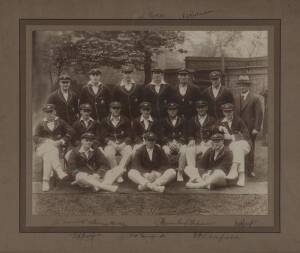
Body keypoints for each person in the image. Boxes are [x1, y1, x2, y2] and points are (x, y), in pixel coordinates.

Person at [33, 104, 74, 192]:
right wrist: (47, 141)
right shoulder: (41, 123)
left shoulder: (61, 122)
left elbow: (71, 131)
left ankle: (45, 181)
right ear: (44, 113)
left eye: (51, 112)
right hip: (41, 148)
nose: (49, 114)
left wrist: (61, 141)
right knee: (50, 147)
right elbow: (35, 137)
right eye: (47, 112)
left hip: (55, 149)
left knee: (49, 155)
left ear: (55, 112)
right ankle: (59, 170)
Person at [215, 103, 251, 186]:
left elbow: (246, 135)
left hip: (245, 145)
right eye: (226, 112)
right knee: (238, 149)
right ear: (223, 112)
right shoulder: (221, 122)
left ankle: (234, 169)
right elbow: (212, 128)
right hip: (233, 147)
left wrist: (231, 137)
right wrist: (219, 128)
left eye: (230, 111)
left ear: (233, 111)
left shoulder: (239, 120)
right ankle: (241, 176)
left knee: (238, 145)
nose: (228, 114)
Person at [234, 75, 263, 177]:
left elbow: (259, 114)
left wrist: (256, 128)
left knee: (250, 148)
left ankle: (250, 170)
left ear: (248, 86)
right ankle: (239, 169)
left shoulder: (255, 98)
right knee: (238, 147)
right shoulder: (236, 98)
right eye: (241, 85)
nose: (242, 87)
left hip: (250, 129)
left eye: (244, 85)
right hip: (239, 129)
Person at [100, 101, 132, 182]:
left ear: (120, 109)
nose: (116, 110)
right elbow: (103, 136)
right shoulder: (105, 120)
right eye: (114, 108)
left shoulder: (126, 120)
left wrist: (123, 144)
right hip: (111, 143)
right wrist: (113, 144)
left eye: (118, 108)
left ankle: (117, 174)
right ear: (110, 109)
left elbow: (130, 136)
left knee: (129, 152)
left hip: (123, 144)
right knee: (108, 153)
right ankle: (118, 175)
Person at [185, 100, 217, 170]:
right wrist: (191, 139)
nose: (201, 109)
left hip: (208, 144)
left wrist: (211, 140)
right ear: (196, 109)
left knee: (208, 151)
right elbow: (190, 133)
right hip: (197, 144)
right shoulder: (192, 120)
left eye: (203, 107)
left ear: (206, 108)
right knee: (189, 150)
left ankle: (204, 171)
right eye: (199, 108)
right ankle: (192, 172)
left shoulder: (212, 119)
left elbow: (215, 133)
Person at [160, 102, 187, 182]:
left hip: (179, 143)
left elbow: (185, 134)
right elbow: (161, 135)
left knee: (184, 150)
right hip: (168, 144)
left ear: (177, 110)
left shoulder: (183, 120)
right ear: (167, 111)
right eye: (170, 110)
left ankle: (180, 172)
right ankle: (169, 173)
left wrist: (179, 143)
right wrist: (169, 143)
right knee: (166, 151)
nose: (172, 111)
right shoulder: (163, 121)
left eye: (174, 109)